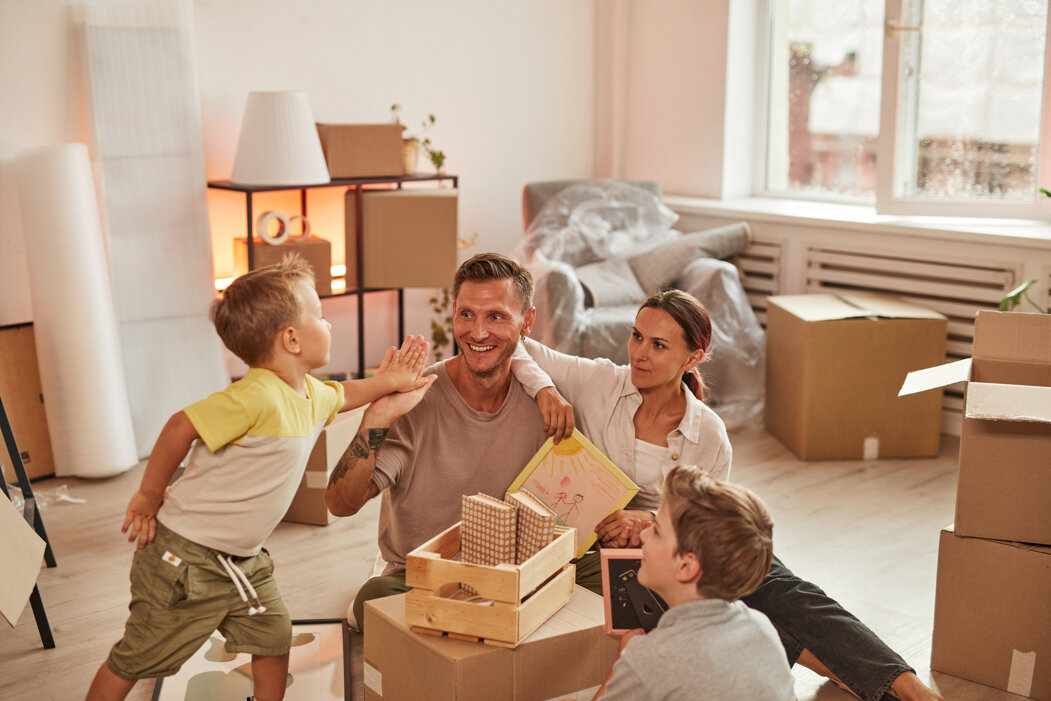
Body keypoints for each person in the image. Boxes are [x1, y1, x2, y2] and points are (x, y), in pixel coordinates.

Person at [512, 288, 943, 701]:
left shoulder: (709, 435)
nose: (639, 353)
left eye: (659, 345)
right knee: (736, 603)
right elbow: (516, 344)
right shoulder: (600, 381)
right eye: (637, 336)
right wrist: (545, 389)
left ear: (693, 357)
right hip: (613, 550)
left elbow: (707, 521)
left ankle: (907, 686)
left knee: (780, 585)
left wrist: (644, 522)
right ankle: (852, 672)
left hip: (675, 539)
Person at [85, 254, 434, 701]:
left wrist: (392, 381)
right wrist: (147, 496)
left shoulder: (309, 394)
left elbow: (349, 393)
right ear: (291, 339)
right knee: (138, 656)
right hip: (186, 560)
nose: (328, 325)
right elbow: (179, 427)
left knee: (273, 637)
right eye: (322, 316)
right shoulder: (255, 396)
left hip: (242, 561)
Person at [326, 252, 564, 631]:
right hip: (421, 578)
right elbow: (340, 504)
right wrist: (375, 419)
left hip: (510, 574)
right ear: (453, 312)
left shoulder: (545, 400)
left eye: (496, 317)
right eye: (466, 314)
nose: (478, 332)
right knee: (372, 600)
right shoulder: (417, 400)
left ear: (527, 321)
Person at [595, 466, 794, 701]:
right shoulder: (762, 627)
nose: (644, 536)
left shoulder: (648, 659)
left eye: (657, 531)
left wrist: (622, 662)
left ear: (686, 567)